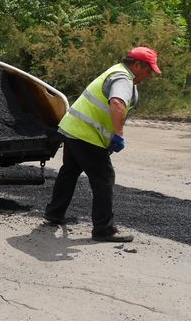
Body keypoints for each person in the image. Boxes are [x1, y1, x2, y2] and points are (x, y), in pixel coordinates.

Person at [44, 46, 161, 242]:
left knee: (69, 172)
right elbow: (117, 103)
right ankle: (103, 229)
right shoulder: (123, 78)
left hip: (72, 128)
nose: (149, 75)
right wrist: (118, 135)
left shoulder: (117, 71)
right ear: (137, 64)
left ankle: (54, 213)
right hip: (86, 135)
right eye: (148, 70)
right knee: (104, 178)